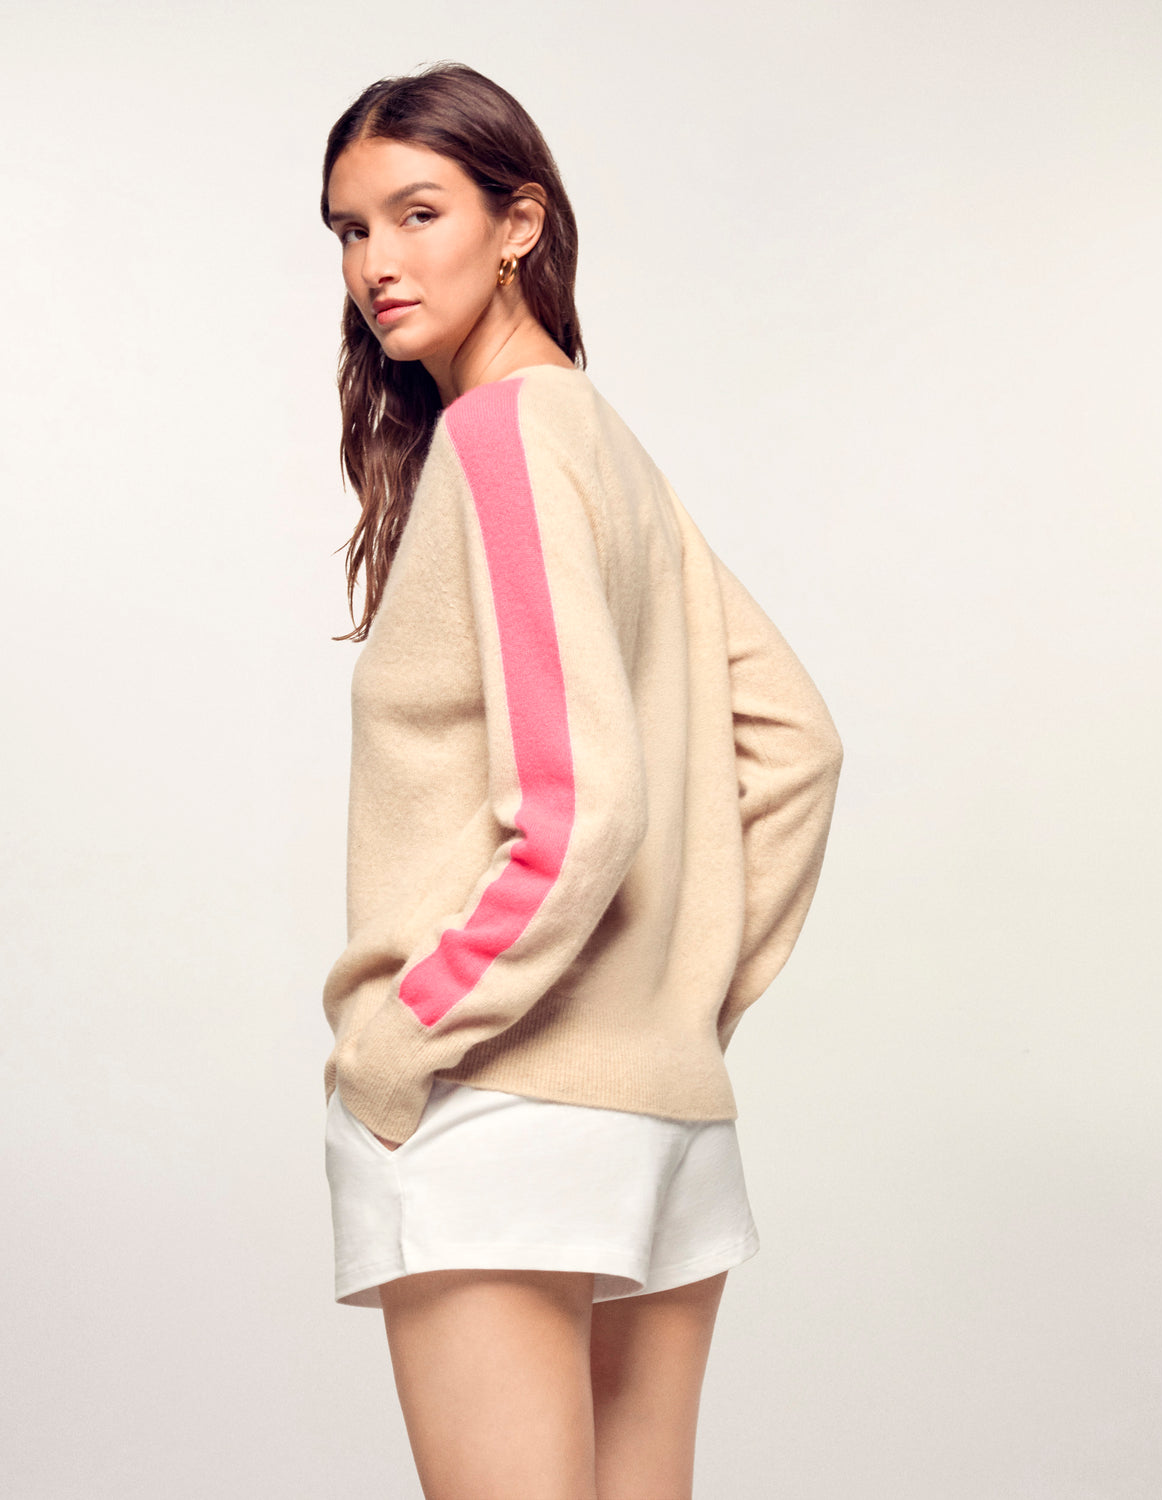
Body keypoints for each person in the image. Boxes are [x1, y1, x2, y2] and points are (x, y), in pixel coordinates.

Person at [317, 61, 844, 1500]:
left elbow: (578, 811)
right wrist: (675, 1006)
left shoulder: (501, 435)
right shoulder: (601, 442)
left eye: (418, 213)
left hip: (501, 1107)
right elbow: (797, 742)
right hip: (658, 1116)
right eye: (350, 229)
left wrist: (401, 1042)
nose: (376, 262)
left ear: (518, 224)